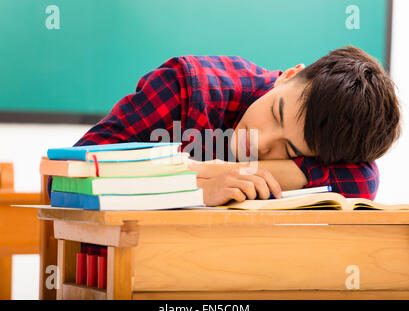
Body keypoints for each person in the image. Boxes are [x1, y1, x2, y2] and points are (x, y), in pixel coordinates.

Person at [49, 46, 400, 206]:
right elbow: (64, 177)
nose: (261, 143)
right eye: (276, 115)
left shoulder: (336, 148)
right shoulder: (187, 88)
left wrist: (239, 171)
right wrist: (194, 185)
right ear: (288, 75)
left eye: (289, 151)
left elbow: (363, 179)